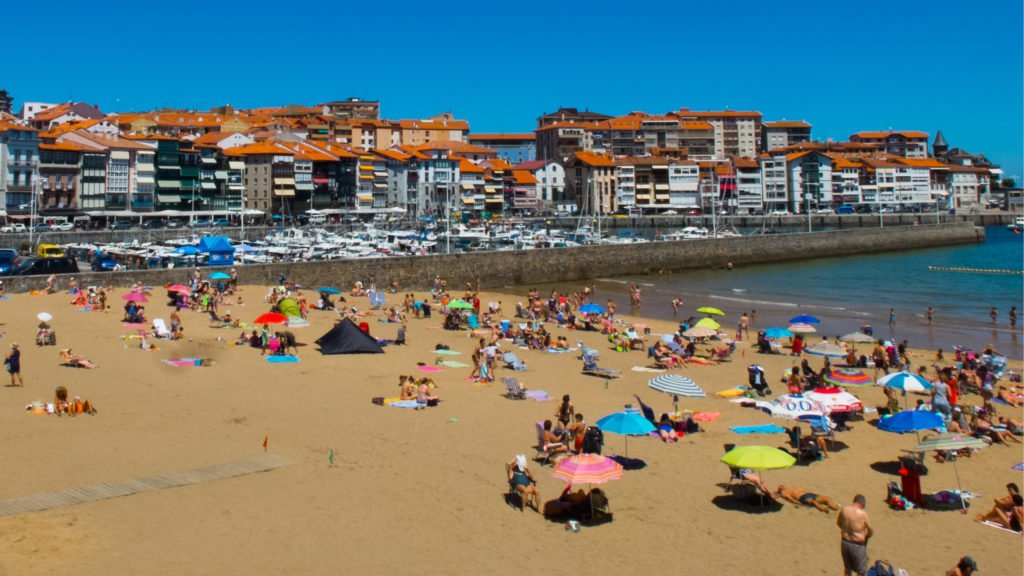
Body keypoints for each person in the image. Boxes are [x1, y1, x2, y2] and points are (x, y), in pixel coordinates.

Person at [837, 494, 873, 576]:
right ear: (862, 504)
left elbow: (838, 523)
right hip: (857, 545)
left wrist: (848, 530)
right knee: (861, 571)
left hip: (845, 542)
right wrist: (866, 535)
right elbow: (871, 530)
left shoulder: (844, 510)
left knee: (847, 569)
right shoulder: (862, 514)